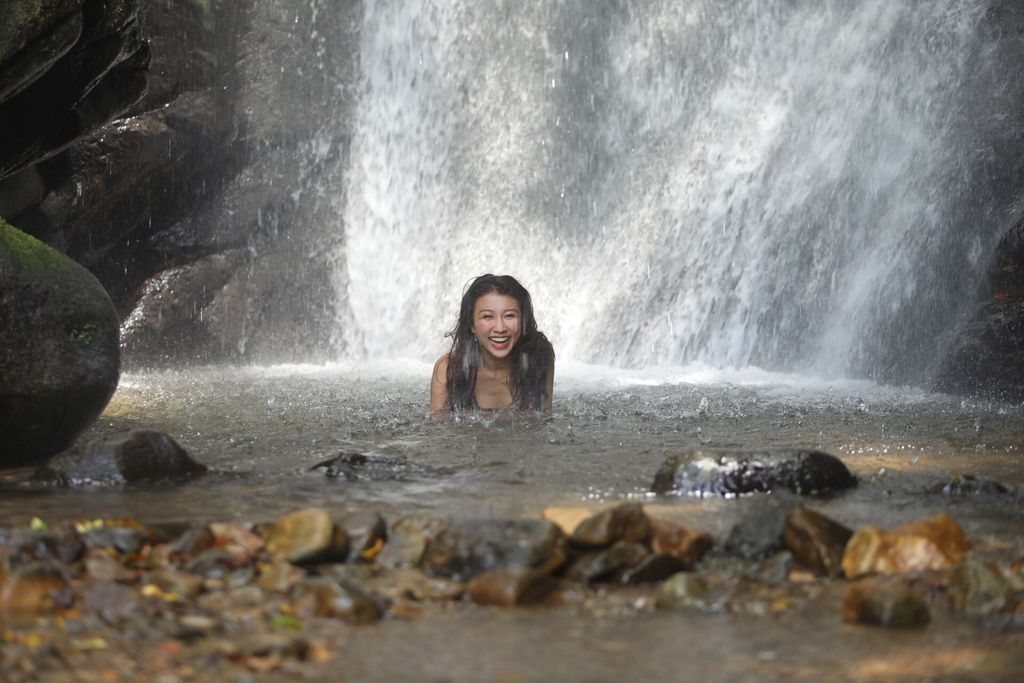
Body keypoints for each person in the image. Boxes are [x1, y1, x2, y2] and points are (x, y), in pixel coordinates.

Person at [430, 274, 555, 415]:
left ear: (523, 320)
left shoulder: (539, 358)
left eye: (510, 315)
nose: (500, 328)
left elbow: (543, 423)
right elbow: (439, 431)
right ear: (472, 324)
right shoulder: (448, 370)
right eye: (487, 316)